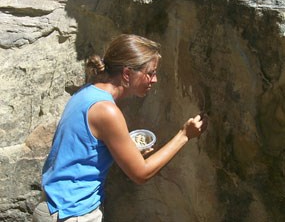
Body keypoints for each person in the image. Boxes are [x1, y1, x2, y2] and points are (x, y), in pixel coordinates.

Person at [32, 34, 208, 222]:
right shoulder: (107, 111)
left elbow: (84, 151)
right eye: (150, 73)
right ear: (127, 73)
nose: (154, 80)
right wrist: (184, 135)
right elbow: (141, 173)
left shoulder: (87, 92)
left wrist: (129, 152)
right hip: (72, 213)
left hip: (53, 205)